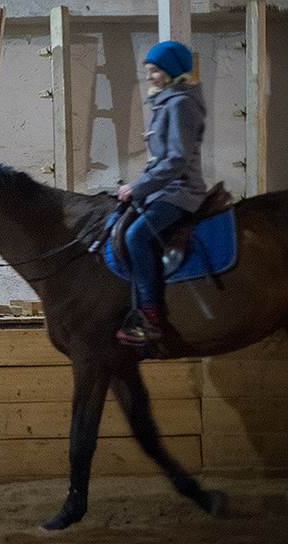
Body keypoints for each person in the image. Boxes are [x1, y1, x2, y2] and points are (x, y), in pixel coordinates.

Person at [116, 40, 207, 346]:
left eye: (155, 70)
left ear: (170, 71)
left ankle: (151, 317)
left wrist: (138, 188)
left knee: (136, 236)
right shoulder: (167, 101)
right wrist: (136, 188)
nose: (151, 76)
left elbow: (176, 160)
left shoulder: (180, 104)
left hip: (181, 192)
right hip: (163, 190)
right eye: (150, 71)